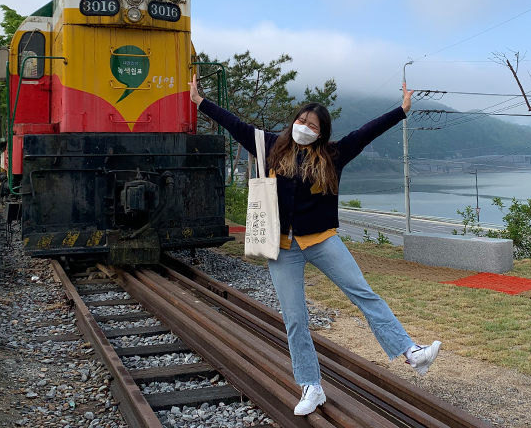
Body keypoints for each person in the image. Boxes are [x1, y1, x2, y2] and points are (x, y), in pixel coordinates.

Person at [188, 75, 441, 416]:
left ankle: (411, 352)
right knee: (295, 318)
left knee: (362, 293)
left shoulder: (333, 155)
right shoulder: (269, 146)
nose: (304, 127)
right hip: (282, 247)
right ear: (294, 121)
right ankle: (311, 386)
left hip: (322, 240)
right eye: (301, 120)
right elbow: (234, 124)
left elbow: (366, 132)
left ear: (321, 133)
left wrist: (401, 110)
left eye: (312, 125)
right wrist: (201, 102)